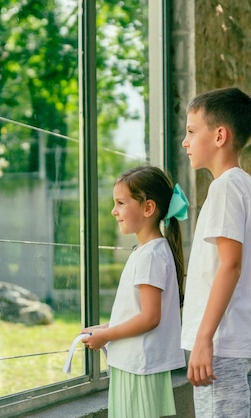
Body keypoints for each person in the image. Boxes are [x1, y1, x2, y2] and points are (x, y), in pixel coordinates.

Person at [180, 87, 251, 418]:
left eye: (191, 131)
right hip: (238, 344)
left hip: (222, 345)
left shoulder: (226, 187)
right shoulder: (243, 184)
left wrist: (204, 339)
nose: (185, 142)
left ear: (219, 135)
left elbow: (230, 266)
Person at [81, 166, 188, 418]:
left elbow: (150, 318)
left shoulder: (151, 255)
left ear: (148, 208)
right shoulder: (148, 251)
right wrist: (104, 328)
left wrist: (106, 335)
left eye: (120, 203)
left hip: (139, 367)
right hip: (135, 365)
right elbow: (137, 311)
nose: (113, 211)